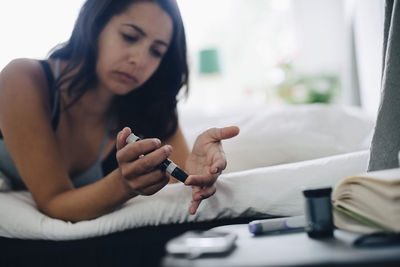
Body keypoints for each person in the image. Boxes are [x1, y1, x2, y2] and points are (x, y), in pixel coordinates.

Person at [0, 0, 239, 222]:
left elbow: (184, 183)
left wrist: (197, 172)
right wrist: (124, 185)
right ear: (94, 26)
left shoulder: (152, 106)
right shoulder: (23, 79)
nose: (139, 60)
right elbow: (53, 202)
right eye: (129, 36)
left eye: (156, 52)